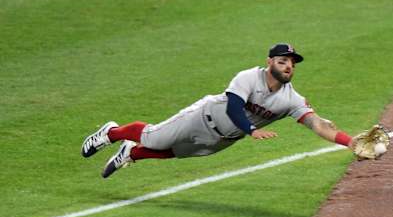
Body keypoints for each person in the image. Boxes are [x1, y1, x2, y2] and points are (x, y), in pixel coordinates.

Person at [81, 43, 356, 178]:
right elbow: (236, 106)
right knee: (154, 138)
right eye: (283, 61)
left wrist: (349, 142)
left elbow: (319, 125)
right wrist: (251, 130)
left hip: (223, 140)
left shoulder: (292, 99)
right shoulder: (249, 76)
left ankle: (130, 153)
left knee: (173, 153)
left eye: (292, 64)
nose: (288, 67)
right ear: (270, 61)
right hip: (203, 116)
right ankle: (112, 133)